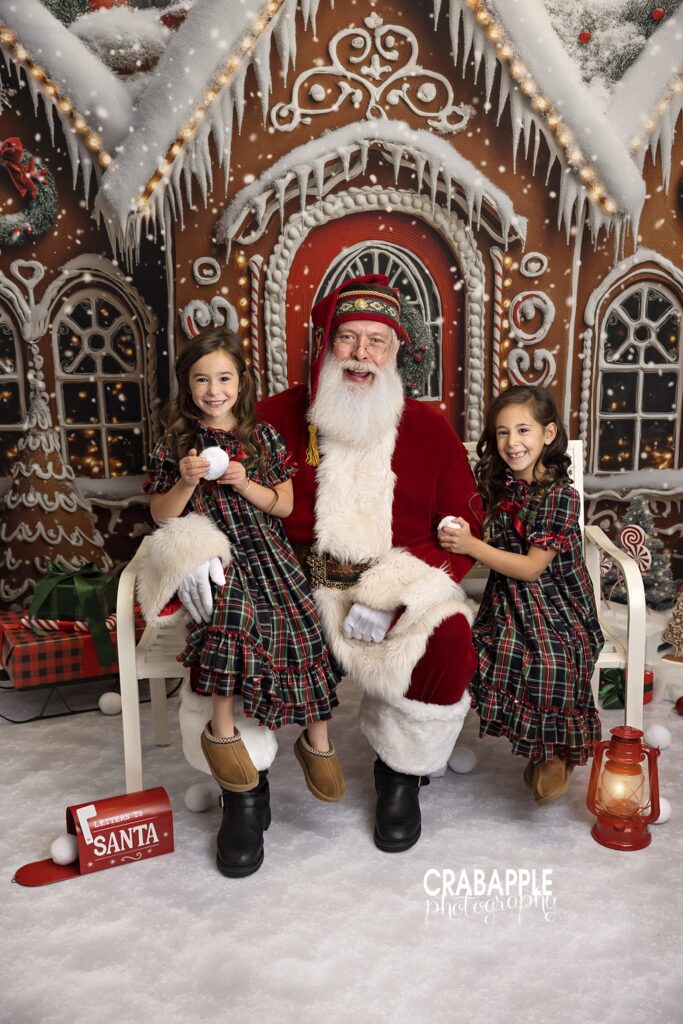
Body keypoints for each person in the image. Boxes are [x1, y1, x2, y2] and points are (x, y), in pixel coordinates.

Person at [173, 274, 483, 852]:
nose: (361, 354)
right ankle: (244, 789)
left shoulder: (429, 429)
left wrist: (397, 596)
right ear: (327, 344)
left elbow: (461, 530)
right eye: (348, 338)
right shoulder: (270, 417)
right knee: (232, 629)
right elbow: (203, 500)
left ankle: (401, 774)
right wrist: (194, 551)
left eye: (377, 341)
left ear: (396, 351)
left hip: (391, 583)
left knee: (448, 640)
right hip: (286, 581)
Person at [138, 327, 345, 878]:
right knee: (232, 615)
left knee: (306, 623)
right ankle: (222, 733)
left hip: (267, 550)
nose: (214, 390)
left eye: (224, 378)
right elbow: (161, 516)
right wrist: (186, 483)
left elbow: (285, 505)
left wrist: (245, 482)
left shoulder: (263, 436)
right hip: (215, 554)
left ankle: (317, 740)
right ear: (187, 384)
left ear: (241, 382)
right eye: (202, 380)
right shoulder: (176, 441)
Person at [439, 384, 603, 805]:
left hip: (557, 605)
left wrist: (473, 547)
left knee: (553, 659)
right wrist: (460, 530)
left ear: (548, 434)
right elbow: (472, 515)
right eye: (503, 432)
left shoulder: (561, 497)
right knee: (480, 651)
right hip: (508, 602)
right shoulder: (500, 484)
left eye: (523, 430)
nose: (513, 442)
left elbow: (531, 569)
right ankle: (439, 740)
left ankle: (555, 751)